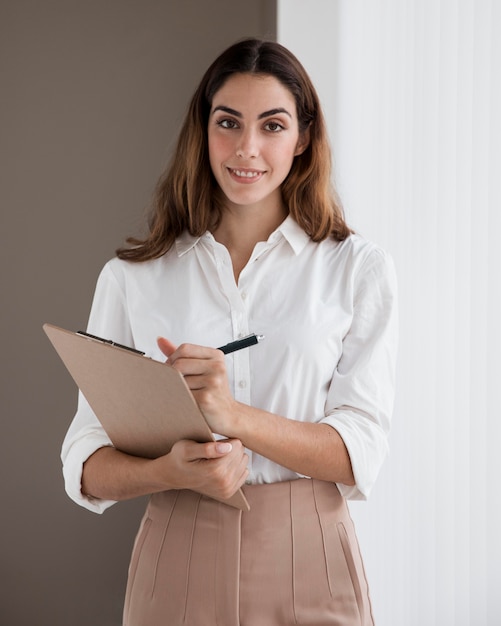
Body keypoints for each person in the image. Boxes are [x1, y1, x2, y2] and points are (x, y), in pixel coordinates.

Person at [61, 38, 398, 626]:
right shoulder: (132, 278)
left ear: (304, 137)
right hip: (176, 546)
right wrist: (165, 471)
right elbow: (84, 460)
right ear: (204, 131)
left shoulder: (356, 269)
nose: (247, 148)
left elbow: (359, 451)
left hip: (311, 551)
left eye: (272, 125)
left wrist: (231, 415)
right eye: (228, 123)